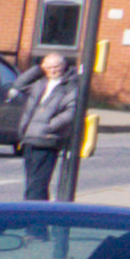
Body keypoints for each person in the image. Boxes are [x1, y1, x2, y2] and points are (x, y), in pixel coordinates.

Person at [11, 38, 91, 201]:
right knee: (32, 182)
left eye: (56, 67)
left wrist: (50, 127)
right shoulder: (40, 83)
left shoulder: (70, 85)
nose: (53, 70)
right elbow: (19, 85)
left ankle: (33, 217)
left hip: (47, 139)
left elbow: (72, 111)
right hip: (30, 138)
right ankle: (39, 215)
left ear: (63, 67)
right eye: (49, 67)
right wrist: (38, 70)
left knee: (38, 184)